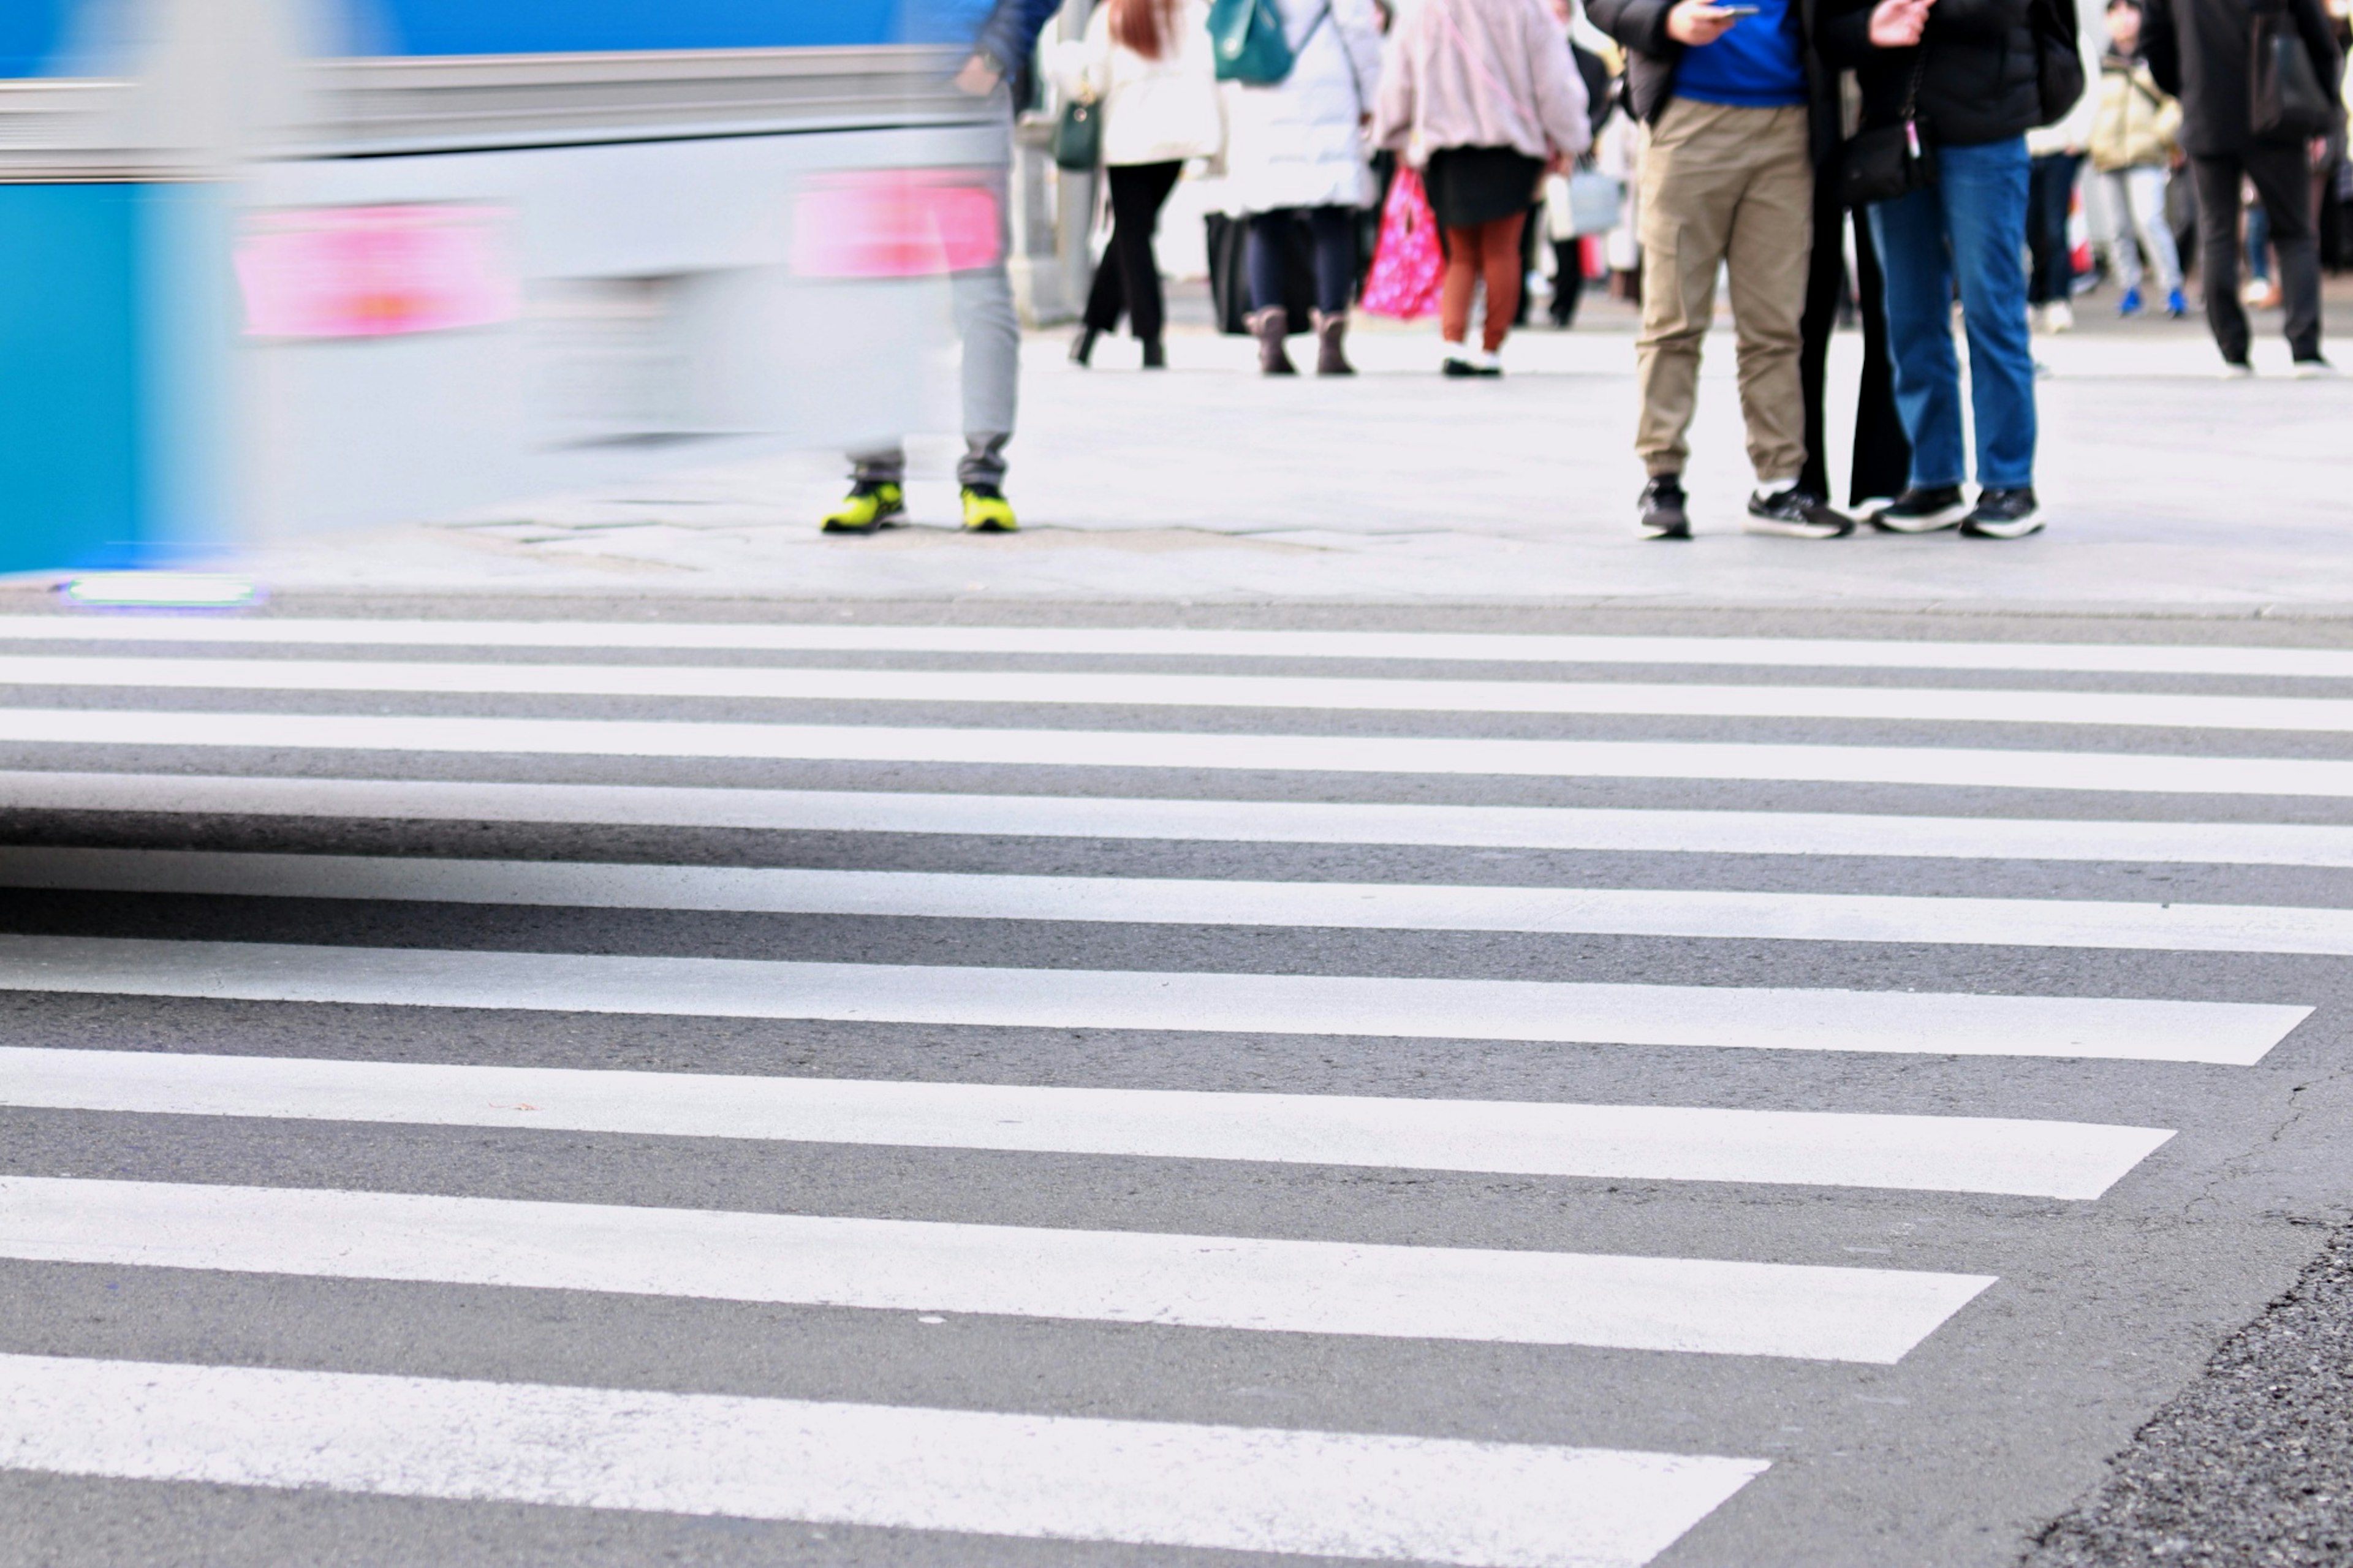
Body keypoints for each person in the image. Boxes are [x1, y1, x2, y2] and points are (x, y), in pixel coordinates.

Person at [1590, 0, 1857, 539]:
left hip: (1789, 126)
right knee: (1673, 317)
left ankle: (1778, 485)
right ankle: (1661, 477)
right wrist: (1667, 19)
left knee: (1776, 324)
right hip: (1689, 118)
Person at [822, 0, 1062, 535]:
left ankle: (983, 476)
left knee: (979, 289)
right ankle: (875, 476)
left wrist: (994, 56)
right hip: (868, 105)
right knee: (869, 290)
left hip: (964, 103)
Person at [1821, 0, 2050, 539]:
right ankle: (1935, 477)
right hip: (1893, 131)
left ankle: (2009, 481)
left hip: (1986, 130)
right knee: (1908, 313)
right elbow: (1829, 32)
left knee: (1991, 306)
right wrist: (1867, 23)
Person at [1375, 0, 1594, 374]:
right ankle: (1490, 349)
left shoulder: (1425, 9)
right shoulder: (1529, 9)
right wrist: (1570, 138)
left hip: (1447, 148)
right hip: (1512, 147)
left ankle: (1453, 343)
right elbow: (1554, 82)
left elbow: (1399, 77)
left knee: (1460, 254)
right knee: (1503, 250)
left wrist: (1393, 134)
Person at [2143, 0, 2341, 374]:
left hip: (2207, 112)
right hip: (2278, 111)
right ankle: (2305, 348)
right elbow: (2319, 39)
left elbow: (2154, 42)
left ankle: (2232, 349)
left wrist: (2187, 86)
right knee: (2295, 233)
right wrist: (2322, 109)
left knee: (2217, 232)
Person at [1053, 0, 1224, 369]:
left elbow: (1093, 83)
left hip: (1128, 141)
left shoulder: (1113, 14)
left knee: (1132, 234)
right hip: (1177, 139)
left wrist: (1067, 65)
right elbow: (1209, 71)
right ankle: (1091, 332)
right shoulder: (1191, 12)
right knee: (1132, 232)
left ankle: (1149, 337)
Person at [1226, 0, 1385, 374]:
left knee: (1266, 217)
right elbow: (1359, 28)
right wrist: (1372, 95)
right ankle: (1331, 340)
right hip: (1325, 82)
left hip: (1264, 78)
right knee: (1331, 217)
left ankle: (1270, 338)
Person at [2091, 0, 2188, 318]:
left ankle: (2172, 287)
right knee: (2118, 228)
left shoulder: (2155, 57)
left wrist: (2164, 134)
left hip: (2146, 153)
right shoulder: (2100, 63)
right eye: (2115, 12)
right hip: (2108, 155)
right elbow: (2089, 107)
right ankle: (2129, 287)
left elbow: (2174, 101)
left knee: (2150, 220)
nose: (2123, 19)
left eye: (2129, 10)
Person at [2024, 6, 2101, 333]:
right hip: (2025, 150)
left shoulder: (2074, 37)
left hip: (2061, 149)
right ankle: (2036, 294)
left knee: (2055, 227)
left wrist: (2079, 137)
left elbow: (2091, 90)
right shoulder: (2018, 32)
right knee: (2030, 228)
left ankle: (2058, 298)